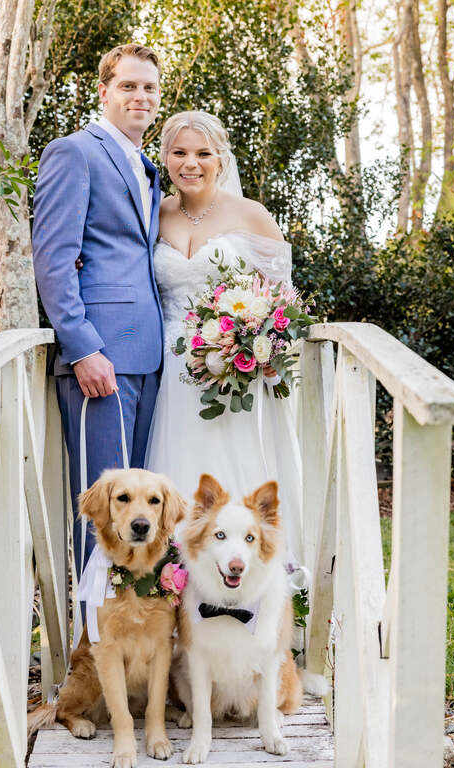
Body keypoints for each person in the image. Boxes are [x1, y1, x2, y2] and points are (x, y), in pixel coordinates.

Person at [144, 111, 303, 563]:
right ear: (166, 158)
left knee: (232, 465)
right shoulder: (154, 214)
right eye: (179, 152)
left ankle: (249, 573)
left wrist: (258, 341)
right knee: (174, 462)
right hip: (167, 369)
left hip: (230, 373)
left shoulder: (251, 215)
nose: (190, 163)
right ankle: (173, 576)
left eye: (203, 153)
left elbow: (283, 299)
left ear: (220, 158)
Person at [32, 44, 164, 577]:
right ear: (104, 91)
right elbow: (53, 259)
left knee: (140, 515)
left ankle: (132, 623)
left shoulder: (147, 168)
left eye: (149, 87)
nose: (140, 96)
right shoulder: (74, 153)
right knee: (103, 512)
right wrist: (83, 347)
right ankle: (93, 625)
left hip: (149, 358)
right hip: (101, 358)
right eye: (128, 86)